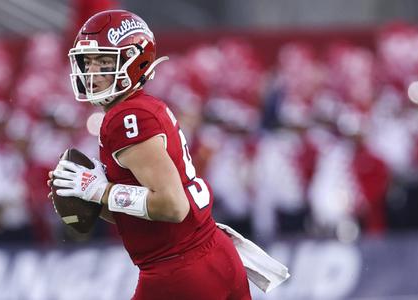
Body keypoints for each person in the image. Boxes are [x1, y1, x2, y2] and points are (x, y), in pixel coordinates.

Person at [48, 10, 287, 299]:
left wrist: (100, 191)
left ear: (136, 61)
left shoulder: (126, 117)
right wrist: (92, 198)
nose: (93, 73)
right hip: (203, 259)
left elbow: (173, 206)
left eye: (105, 61)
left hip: (180, 271)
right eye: (90, 62)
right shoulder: (139, 108)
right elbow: (145, 214)